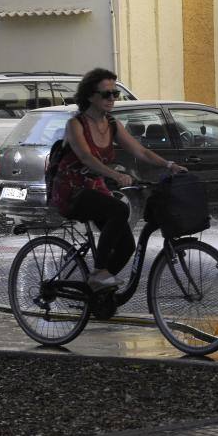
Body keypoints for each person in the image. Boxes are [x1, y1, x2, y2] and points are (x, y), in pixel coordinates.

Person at [49, 68, 187, 290]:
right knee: (119, 209)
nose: (112, 99)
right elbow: (86, 157)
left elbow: (140, 151)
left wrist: (169, 165)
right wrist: (116, 175)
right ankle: (98, 273)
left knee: (126, 246)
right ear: (90, 95)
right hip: (71, 192)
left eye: (115, 94)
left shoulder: (113, 125)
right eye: (106, 94)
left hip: (95, 190)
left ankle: (98, 296)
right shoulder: (75, 125)